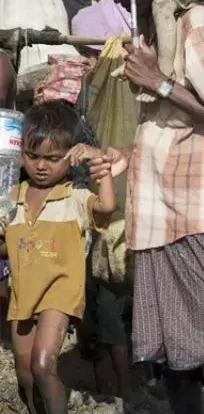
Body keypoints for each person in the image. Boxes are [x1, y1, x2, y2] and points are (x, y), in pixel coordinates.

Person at [95, 0, 204, 412]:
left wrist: (158, 83)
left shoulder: (199, 24)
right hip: (162, 215)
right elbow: (176, 125)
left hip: (199, 213)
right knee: (174, 355)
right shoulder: (163, 33)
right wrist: (127, 154)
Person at [6, 101, 119, 414]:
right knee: (26, 373)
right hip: (23, 293)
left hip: (59, 292)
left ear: (70, 157)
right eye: (33, 156)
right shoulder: (11, 198)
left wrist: (102, 168)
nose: (41, 165)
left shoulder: (73, 197)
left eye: (52, 158)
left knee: (43, 365)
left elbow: (107, 207)